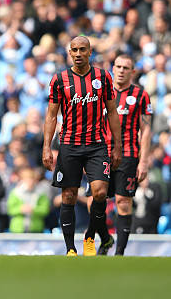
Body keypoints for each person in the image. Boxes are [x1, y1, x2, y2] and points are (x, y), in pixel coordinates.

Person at [43, 36, 122, 256]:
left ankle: (90, 237)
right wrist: (46, 147)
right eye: (74, 50)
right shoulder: (59, 79)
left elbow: (112, 112)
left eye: (82, 50)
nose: (78, 53)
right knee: (68, 196)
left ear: (90, 52)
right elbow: (51, 116)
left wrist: (117, 145)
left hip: (97, 145)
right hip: (69, 145)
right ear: (69, 53)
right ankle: (70, 249)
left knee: (99, 193)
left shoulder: (103, 77)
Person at [96, 54, 152, 255]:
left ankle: (119, 252)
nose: (121, 70)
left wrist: (143, 161)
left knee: (122, 201)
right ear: (113, 68)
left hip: (128, 154)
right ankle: (105, 239)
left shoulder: (141, 95)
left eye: (125, 68)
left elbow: (146, 130)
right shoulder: (102, 92)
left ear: (132, 72)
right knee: (97, 199)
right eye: (118, 66)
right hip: (100, 153)